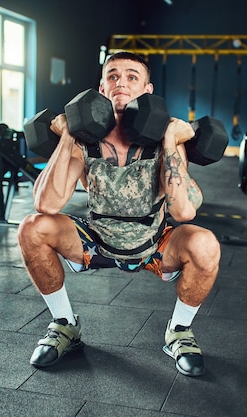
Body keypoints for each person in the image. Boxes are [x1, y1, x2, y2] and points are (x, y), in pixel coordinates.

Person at [17, 51, 220, 377]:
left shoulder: (167, 135)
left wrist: (169, 139)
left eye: (131, 76)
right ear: (101, 86)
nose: (120, 82)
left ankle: (179, 332)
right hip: (94, 240)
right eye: (112, 76)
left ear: (147, 89)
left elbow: (183, 211)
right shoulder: (84, 137)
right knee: (32, 227)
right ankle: (65, 325)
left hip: (154, 243)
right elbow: (47, 204)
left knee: (206, 244)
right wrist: (68, 133)